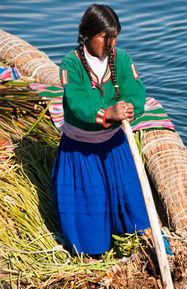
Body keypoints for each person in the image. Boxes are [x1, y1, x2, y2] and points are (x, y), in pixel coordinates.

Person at [52, 3, 149, 255]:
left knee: (134, 209)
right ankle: (92, 254)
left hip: (115, 146)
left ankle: (140, 246)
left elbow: (134, 90)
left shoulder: (122, 59)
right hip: (81, 151)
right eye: (105, 37)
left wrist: (129, 108)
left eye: (114, 37)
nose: (110, 44)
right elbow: (78, 101)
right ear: (86, 35)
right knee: (90, 214)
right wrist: (107, 113)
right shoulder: (70, 64)